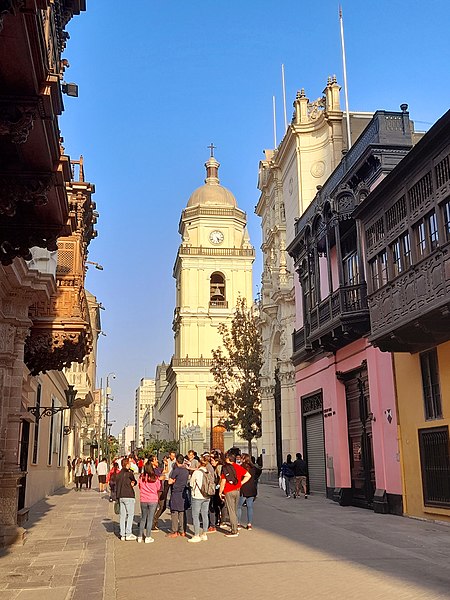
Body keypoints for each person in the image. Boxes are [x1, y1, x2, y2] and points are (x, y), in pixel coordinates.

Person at [219, 451, 251, 537]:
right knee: (235, 509)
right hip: (237, 490)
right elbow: (248, 475)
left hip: (228, 490)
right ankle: (234, 526)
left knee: (231, 510)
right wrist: (241, 483)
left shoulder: (225, 468)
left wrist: (220, 491)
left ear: (228, 459)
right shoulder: (238, 467)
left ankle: (234, 530)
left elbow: (223, 481)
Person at [188, 456, 211, 543]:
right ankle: (204, 533)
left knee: (195, 516)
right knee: (205, 514)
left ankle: (196, 535)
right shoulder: (208, 472)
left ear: (199, 463)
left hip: (197, 495)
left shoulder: (196, 472)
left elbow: (191, 483)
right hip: (207, 495)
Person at [166, 454, 189, 538]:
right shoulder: (186, 471)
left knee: (174, 512)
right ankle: (182, 531)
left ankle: (174, 531)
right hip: (183, 492)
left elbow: (169, 481)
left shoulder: (176, 470)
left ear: (176, 461)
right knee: (182, 512)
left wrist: (174, 480)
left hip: (176, 492)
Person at [137, 462, 161, 543]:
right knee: (150, 519)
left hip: (143, 499)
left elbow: (139, 486)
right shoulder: (155, 478)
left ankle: (140, 536)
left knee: (143, 518)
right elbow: (158, 487)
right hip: (153, 499)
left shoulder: (141, 477)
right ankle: (148, 536)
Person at [238, 454, 261, 530]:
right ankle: (249, 524)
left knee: (238, 506)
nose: (240, 459)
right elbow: (258, 472)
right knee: (249, 506)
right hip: (252, 488)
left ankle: (238, 523)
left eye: (241, 458)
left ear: (244, 459)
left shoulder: (241, 467)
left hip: (243, 488)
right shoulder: (253, 467)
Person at [116, 457, 137, 540]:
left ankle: (122, 534)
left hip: (121, 496)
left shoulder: (119, 474)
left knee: (122, 516)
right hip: (129, 495)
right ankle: (128, 533)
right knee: (130, 515)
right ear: (127, 464)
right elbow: (134, 481)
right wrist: (133, 483)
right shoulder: (129, 473)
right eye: (129, 463)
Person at [152, 455, 169, 530]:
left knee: (163, 506)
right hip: (156, 490)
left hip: (161, 490)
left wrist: (166, 464)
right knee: (154, 507)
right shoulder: (151, 470)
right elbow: (152, 480)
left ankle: (155, 519)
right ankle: (152, 523)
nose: (157, 461)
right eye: (155, 460)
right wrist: (159, 478)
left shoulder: (158, 469)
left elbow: (166, 471)